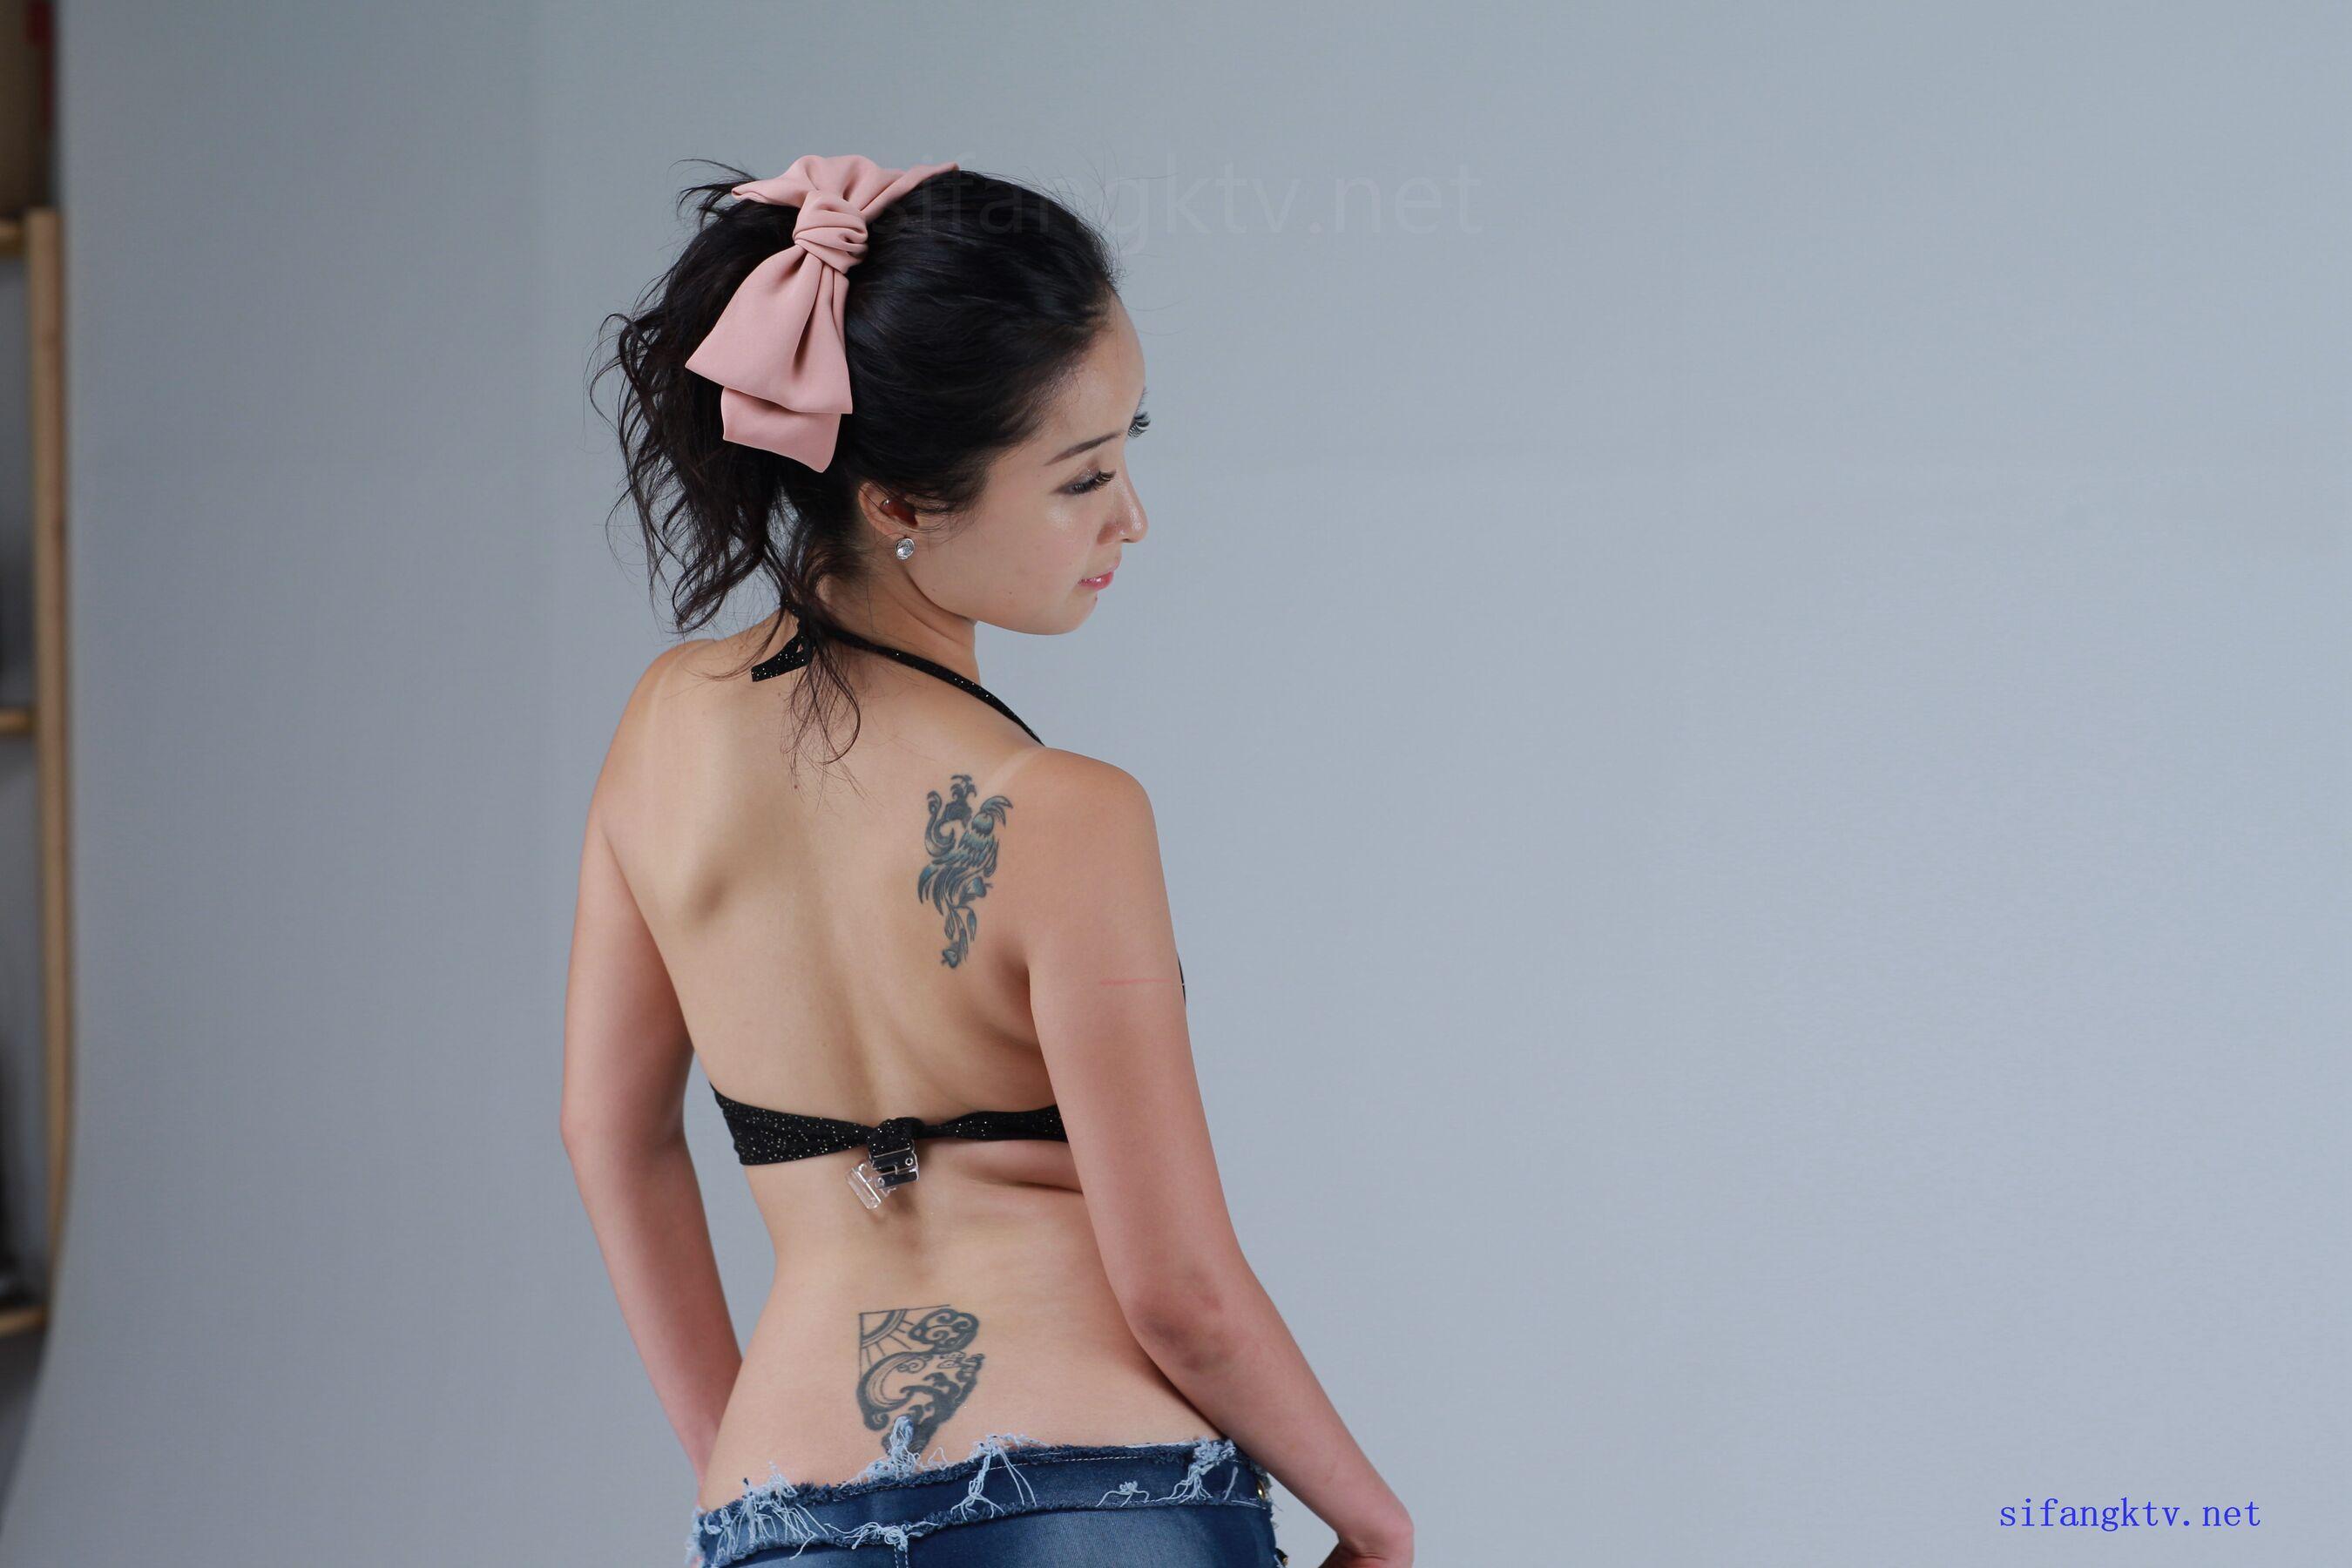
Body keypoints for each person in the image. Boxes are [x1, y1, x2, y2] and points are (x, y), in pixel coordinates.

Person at [568, 153, 1413, 1568]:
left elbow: (610, 1134)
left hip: (784, 1496)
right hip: (1096, 1499)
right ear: (902, 500)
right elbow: (1179, 1291)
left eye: (1128, 448)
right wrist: (1374, 1523)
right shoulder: (1066, 814)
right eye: (1083, 476)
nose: (1130, 518)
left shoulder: (663, 730)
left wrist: (743, 1471)